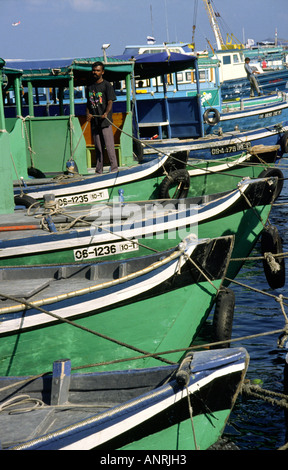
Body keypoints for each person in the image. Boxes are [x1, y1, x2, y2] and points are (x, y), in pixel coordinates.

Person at [86, 61, 118, 174]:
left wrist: (106, 113)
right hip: (95, 122)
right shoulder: (89, 86)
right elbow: (88, 103)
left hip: (105, 121)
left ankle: (114, 169)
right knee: (98, 148)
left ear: (102, 72)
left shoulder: (107, 85)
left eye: (98, 70)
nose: (95, 72)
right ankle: (99, 170)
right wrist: (88, 114)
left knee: (109, 147)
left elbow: (110, 102)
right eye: (94, 70)